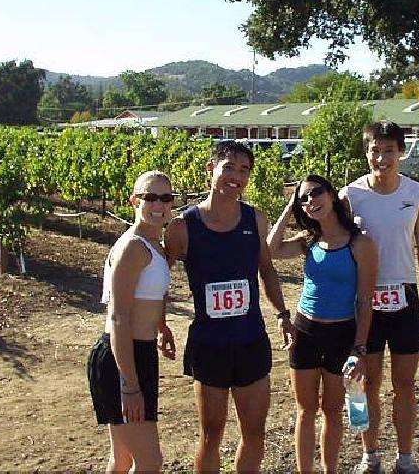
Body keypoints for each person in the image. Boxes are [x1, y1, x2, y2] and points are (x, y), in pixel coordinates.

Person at [164, 140, 296, 473]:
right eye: (228, 167)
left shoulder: (256, 219)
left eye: (244, 170)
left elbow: (266, 269)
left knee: (255, 433)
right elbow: (159, 281)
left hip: (251, 340)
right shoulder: (182, 227)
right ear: (211, 170)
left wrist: (282, 314)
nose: (235, 176)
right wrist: (159, 322)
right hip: (209, 345)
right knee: (211, 435)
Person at [339, 121, 419, 474]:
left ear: (401, 152)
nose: (382, 159)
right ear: (366, 153)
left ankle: (406, 456)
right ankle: (370, 454)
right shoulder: (350, 196)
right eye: (375, 151)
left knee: (405, 385)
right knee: (367, 383)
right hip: (365, 301)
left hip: (405, 298)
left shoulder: (417, 192)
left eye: (389, 151)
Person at [267, 175, 377, 473]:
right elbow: (270, 250)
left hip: (341, 334)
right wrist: (290, 208)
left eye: (316, 193)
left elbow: (365, 301)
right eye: (304, 198)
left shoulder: (360, 244)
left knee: (332, 409)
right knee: (305, 410)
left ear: (331, 195)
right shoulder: (308, 241)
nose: (311, 201)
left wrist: (359, 348)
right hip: (305, 331)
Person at [87, 170, 177, 473]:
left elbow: (150, 295)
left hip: (141, 351)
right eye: (149, 197)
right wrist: (129, 384)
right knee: (150, 463)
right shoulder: (132, 248)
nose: (158, 204)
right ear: (134, 200)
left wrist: (161, 325)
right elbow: (118, 317)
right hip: (121, 359)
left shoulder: (154, 245)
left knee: (122, 460)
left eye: (165, 198)